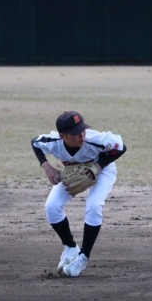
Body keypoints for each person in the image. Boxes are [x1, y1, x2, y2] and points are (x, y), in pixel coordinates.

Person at [31, 111, 127, 277]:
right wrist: (47, 167)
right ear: (63, 136)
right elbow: (35, 142)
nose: (82, 135)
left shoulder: (95, 140)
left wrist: (97, 166)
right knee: (52, 207)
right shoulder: (54, 142)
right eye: (76, 133)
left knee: (94, 205)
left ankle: (83, 257)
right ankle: (70, 247)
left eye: (82, 130)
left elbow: (121, 147)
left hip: (103, 170)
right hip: (74, 172)